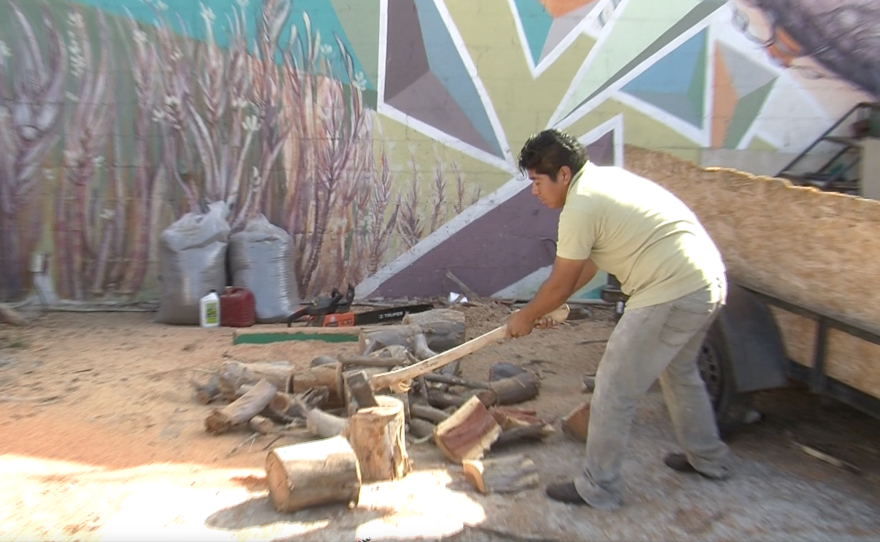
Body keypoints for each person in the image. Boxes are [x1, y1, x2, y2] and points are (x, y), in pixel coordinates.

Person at [506, 129, 732, 510]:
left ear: (563, 174)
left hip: (667, 291)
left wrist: (526, 316)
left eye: (537, 181)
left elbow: (560, 282)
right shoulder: (605, 181)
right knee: (680, 372)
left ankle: (599, 487)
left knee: (613, 388)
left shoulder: (580, 206)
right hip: (706, 283)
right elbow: (588, 266)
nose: (534, 191)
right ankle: (708, 459)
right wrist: (549, 310)